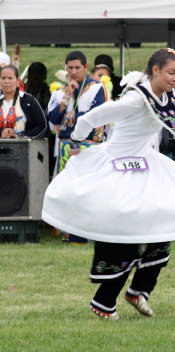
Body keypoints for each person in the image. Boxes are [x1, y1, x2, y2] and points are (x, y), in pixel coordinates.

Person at [42, 48, 175, 320]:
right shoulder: (135, 99)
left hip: (147, 166)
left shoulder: (164, 97)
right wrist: (76, 142)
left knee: (162, 221)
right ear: (155, 70)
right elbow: (90, 118)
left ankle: (140, 290)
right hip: (118, 166)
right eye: (171, 72)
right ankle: (104, 300)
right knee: (126, 236)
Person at [47, 50, 109, 243]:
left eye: (77, 68)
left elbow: (94, 118)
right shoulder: (60, 92)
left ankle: (93, 231)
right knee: (69, 189)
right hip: (66, 147)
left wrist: (73, 124)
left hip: (89, 147)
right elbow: (54, 119)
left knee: (90, 190)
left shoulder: (97, 89)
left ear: (85, 68)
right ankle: (71, 232)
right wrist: (66, 98)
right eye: (70, 68)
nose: (73, 72)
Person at [0, 65, 47, 138]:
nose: (6, 81)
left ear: (17, 80)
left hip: (24, 146)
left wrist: (22, 136)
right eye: (3, 78)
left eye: (10, 78)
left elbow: (41, 125)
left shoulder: (28, 100)